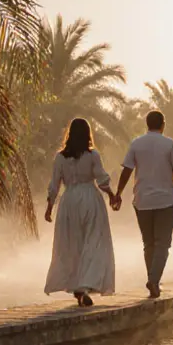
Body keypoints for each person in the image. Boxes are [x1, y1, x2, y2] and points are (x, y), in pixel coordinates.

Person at [112, 110, 173, 299]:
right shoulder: (170, 144)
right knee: (162, 243)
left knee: (149, 243)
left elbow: (127, 171)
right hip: (165, 201)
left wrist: (118, 193)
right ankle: (154, 281)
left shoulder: (136, 144)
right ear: (163, 124)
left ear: (147, 124)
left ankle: (152, 279)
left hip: (142, 200)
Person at [44, 118, 118, 306]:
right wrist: (111, 194)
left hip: (69, 200)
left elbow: (54, 184)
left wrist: (49, 207)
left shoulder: (60, 157)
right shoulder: (92, 156)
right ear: (87, 134)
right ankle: (84, 286)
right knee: (93, 243)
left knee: (72, 244)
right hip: (90, 198)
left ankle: (78, 286)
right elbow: (101, 178)